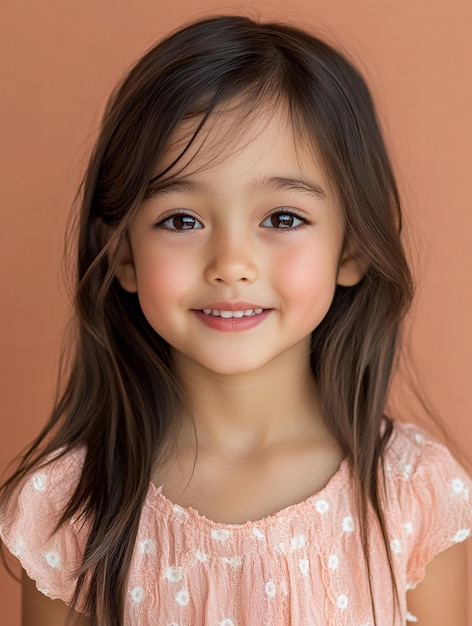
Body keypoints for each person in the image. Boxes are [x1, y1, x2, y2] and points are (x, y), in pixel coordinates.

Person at [0, 14, 470, 626]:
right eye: (181, 221)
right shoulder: (68, 508)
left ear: (352, 248)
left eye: (282, 218)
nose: (231, 265)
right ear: (122, 254)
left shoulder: (415, 494)